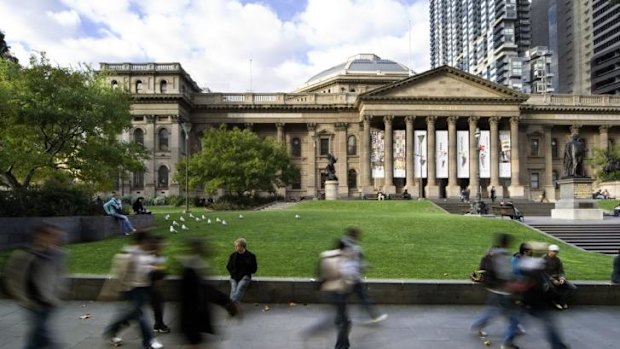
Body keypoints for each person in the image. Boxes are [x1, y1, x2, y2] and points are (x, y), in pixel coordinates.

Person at [103, 231, 163, 349]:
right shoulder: (129, 255)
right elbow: (119, 275)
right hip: (131, 289)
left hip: (143, 288)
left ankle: (111, 330)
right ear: (142, 241)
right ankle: (148, 341)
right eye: (148, 241)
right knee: (140, 316)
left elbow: (150, 270)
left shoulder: (146, 253)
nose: (150, 243)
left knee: (131, 314)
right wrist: (109, 292)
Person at [179, 238, 238, 348]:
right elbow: (207, 291)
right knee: (195, 343)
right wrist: (227, 303)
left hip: (192, 316)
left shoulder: (189, 266)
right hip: (194, 316)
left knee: (195, 342)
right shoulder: (193, 269)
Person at [17, 224, 66, 349]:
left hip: (49, 302)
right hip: (33, 303)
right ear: (40, 236)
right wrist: (23, 299)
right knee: (42, 334)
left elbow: (58, 276)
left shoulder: (57, 254)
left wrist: (57, 295)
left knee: (37, 336)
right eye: (51, 235)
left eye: (56, 236)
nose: (56, 238)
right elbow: (16, 279)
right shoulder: (27, 255)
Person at [470, 233, 520, 349]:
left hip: (494, 288)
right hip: (502, 289)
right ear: (507, 243)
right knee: (513, 314)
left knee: (493, 309)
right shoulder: (503, 255)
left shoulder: (493, 253)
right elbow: (505, 274)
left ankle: (478, 325)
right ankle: (508, 342)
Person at [340, 227, 387, 324]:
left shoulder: (342, 243)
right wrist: (366, 266)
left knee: (349, 297)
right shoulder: (356, 248)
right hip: (353, 276)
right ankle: (373, 316)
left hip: (344, 275)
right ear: (355, 236)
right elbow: (358, 262)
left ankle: (341, 315)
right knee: (362, 297)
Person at [319, 239, 356, 349]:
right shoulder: (344, 258)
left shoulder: (325, 257)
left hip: (328, 291)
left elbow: (321, 275)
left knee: (340, 318)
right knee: (346, 322)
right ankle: (341, 345)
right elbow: (348, 276)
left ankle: (344, 343)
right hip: (339, 291)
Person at [543, 244, 577, 310]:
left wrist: (562, 278)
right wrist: (552, 280)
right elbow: (543, 273)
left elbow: (561, 271)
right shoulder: (543, 259)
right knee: (552, 288)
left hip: (557, 278)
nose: (555, 253)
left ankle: (562, 301)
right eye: (553, 251)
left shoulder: (558, 260)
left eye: (556, 252)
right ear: (549, 251)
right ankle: (555, 302)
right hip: (547, 279)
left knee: (572, 288)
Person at [226, 237, 258, 304]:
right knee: (234, 290)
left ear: (242, 246)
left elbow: (254, 269)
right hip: (234, 276)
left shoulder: (251, 256)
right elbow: (229, 267)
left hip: (245, 276)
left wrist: (246, 272)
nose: (235, 248)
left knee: (240, 287)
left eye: (237, 246)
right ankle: (232, 305)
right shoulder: (233, 256)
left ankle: (231, 304)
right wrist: (233, 274)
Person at [149, 236, 170, 333]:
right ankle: (159, 325)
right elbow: (153, 272)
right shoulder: (151, 257)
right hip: (151, 286)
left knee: (158, 305)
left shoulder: (161, 256)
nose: (163, 246)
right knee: (157, 305)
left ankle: (158, 324)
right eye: (161, 244)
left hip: (157, 285)